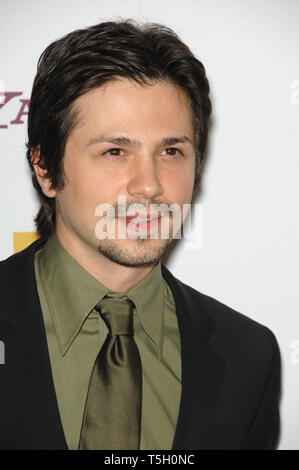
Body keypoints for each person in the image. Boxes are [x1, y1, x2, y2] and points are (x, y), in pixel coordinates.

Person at [0, 20, 281, 450]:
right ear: (45, 169)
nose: (149, 184)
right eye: (115, 151)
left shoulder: (248, 356)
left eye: (171, 151)